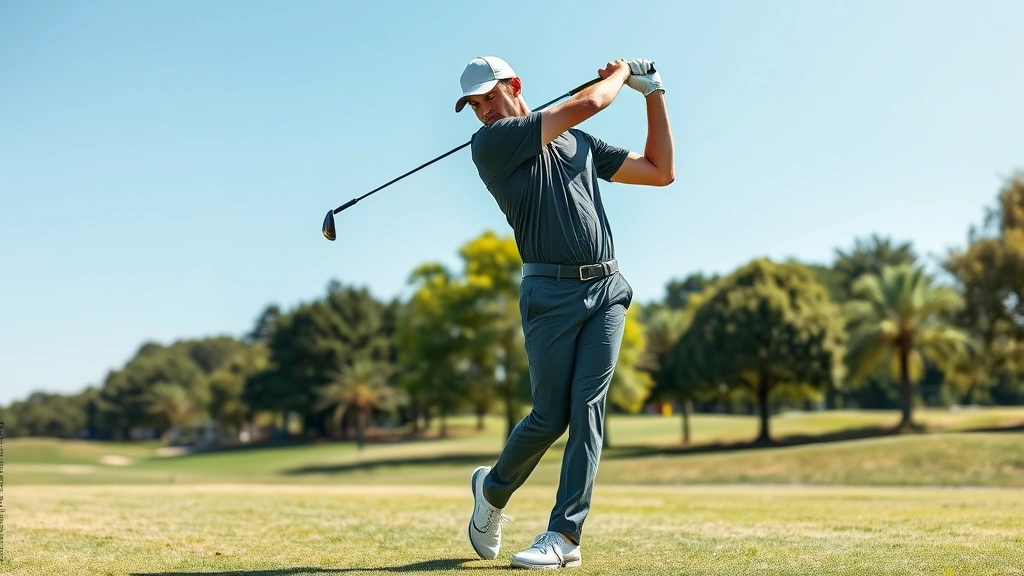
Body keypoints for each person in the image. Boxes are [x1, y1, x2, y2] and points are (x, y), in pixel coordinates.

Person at [455, 55, 674, 569]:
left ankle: (564, 537)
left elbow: (660, 171)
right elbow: (592, 102)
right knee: (550, 414)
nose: (484, 110)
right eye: (475, 104)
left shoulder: (577, 144)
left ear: (515, 85)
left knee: (587, 411)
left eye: (490, 97)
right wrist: (620, 75)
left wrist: (654, 92)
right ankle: (492, 489)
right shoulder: (491, 144)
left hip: (607, 291)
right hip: (548, 298)